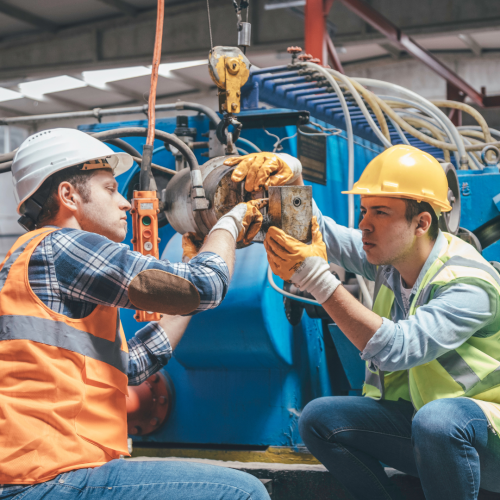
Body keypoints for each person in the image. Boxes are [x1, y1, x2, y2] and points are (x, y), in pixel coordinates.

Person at [0, 128, 270, 500]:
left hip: (37, 473)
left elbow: (132, 367)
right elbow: (207, 285)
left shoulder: (26, 259)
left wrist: (186, 287)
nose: (125, 204)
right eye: (110, 189)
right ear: (69, 196)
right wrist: (228, 223)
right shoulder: (64, 246)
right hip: (47, 478)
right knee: (242, 493)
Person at [249, 144, 500, 499]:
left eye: (380, 213)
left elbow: (397, 349)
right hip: (433, 432)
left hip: (488, 438)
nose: (364, 224)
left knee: (437, 420)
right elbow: (322, 232)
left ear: (421, 223)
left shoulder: (468, 283)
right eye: (364, 210)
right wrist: (290, 179)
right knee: (319, 419)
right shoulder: (393, 258)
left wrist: (316, 279)